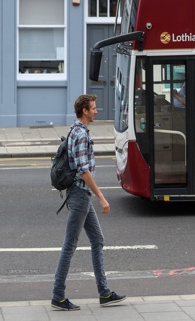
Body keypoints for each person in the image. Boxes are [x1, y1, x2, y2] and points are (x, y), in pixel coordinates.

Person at [51, 94, 126, 311]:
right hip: (80, 195)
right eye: (93, 108)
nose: (96, 111)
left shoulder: (76, 130)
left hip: (81, 195)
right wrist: (102, 197)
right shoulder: (81, 134)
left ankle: (104, 293)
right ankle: (58, 295)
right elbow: (83, 170)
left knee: (97, 239)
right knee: (70, 245)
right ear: (84, 111)